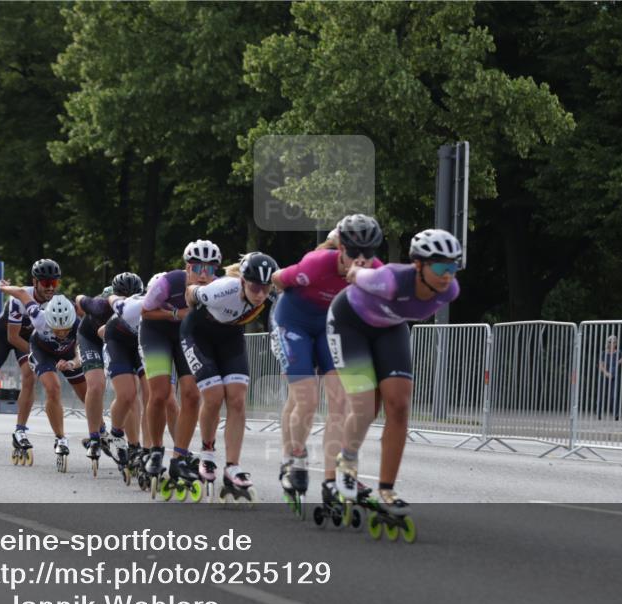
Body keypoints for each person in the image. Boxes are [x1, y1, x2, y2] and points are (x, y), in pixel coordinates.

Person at [327, 229, 462, 527]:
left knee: (399, 405)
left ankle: (386, 490)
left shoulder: (450, 290)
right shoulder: (389, 279)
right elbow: (354, 274)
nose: (447, 275)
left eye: (453, 267)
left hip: (390, 328)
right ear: (418, 265)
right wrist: (348, 260)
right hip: (350, 324)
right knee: (365, 405)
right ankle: (347, 460)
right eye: (440, 267)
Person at [271, 214, 384, 513]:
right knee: (306, 400)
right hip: (292, 322)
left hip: (329, 327)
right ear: (340, 249)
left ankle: (332, 481)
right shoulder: (316, 263)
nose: (361, 261)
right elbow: (278, 279)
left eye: (368, 254)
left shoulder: (375, 269)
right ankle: (294, 458)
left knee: (341, 402)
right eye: (353, 254)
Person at [183, 252, 279, 502]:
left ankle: (232, 466)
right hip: (199, 333)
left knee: (237, 399)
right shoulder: (221, 289)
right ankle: (207, 453)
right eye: (255, 287)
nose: (260, 294)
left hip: (230, 337)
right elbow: (190, 292)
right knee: (214, 397)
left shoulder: (272, 293)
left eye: (265, 288)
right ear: (243, 282)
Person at [139, 240, 221, 488]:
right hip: (157, 331)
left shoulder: (218, 288)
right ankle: (154, 449)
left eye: (211, 268)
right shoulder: (170, 282)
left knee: (192, 395)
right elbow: (144, 311)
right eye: (198, 268)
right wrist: (175, 314)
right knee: (161, 394)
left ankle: (179, 456)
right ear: (187, 267)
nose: (204, 275)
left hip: (187, 336)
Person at [0, 259, 60, 455]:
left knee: (29, 376)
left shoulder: (55, 303)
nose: (50, 288)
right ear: (35, 282)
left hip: (28, 338)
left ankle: (20, 430)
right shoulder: (20, 297)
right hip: (5, 335)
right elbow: (13, 337)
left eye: (54, 283)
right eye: (46, 283)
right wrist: (38, 353)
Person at [0, 282, 87, 470]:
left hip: (69, 355)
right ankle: (61, 438)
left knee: (88, 395)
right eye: (56, 329)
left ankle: (101, 432)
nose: (61, 333)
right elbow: (22, 293)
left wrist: (70, 364)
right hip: (42, 352)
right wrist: (4, 288)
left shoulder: (79, 328)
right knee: (53, 388)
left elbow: (80, 357)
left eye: (65, 330)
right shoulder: (39, 318)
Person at [96, 272, 146, 472]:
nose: (128, 300)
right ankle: (116, 434)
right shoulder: (107, 304)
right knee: (128, 396)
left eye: (133, 295)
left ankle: (135, 446)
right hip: (117, 346)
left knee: (141, 398)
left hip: (138, 347)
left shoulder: (143, 304)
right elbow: (100, 331)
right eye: (123, 296)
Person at [597, 335, 622, 420]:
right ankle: (599, 414)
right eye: (610, 342)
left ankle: (616, 414)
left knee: (614, 396)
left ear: (616, 343)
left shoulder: (618, 352)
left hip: (615, 376)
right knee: (602, 395)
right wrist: (606, 373)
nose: (612, 344)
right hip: (605, 376)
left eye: (614, 342)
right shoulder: (604, 353)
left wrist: (618, 362)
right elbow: (600, 365)